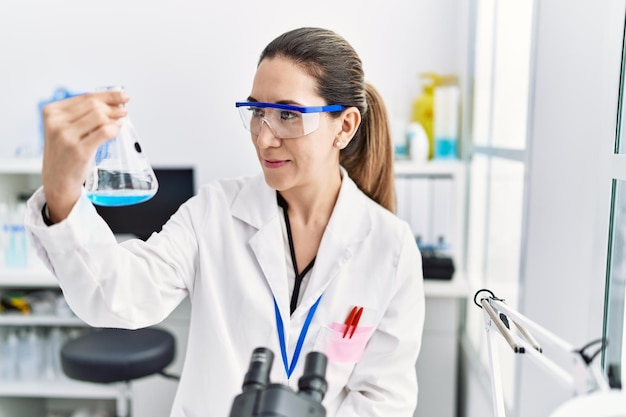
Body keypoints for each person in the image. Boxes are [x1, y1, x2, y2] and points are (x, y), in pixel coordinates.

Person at [25, 27, 425, 417]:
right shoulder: (216, 212)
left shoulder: (390, 247)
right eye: (256, 112)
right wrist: (62, 190)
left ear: (346, 126)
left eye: (288, 114)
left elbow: (383, 399)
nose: (264, 138)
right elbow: (119, 296)